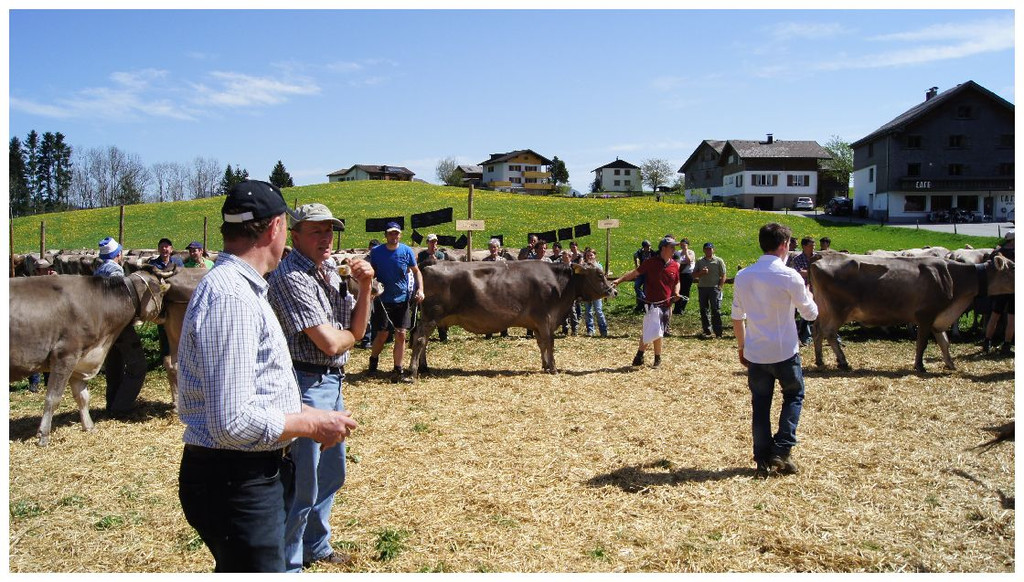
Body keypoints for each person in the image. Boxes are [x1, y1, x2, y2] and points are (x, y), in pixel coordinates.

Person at [177, 180, 358, 573]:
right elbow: (232, 423)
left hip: (240, 473)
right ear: (276, 227)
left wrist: (307, 414)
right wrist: (309, 423)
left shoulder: (240, 289)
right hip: (237, 479)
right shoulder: (233, 298)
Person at [267, 203, 374, 571]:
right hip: (304, 383)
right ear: (295, 236)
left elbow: (355, 328)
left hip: (330, 380)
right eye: (316, 231)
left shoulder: (327, 270)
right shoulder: (291, 276)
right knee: (303, 482)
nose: (326, 238)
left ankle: (315, 545)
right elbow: (330, 343)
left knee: (331, 473)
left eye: (329, 230)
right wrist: (351, 336)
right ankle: (288, 563)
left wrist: (365, 286)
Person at [731, 223, 818, 478]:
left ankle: (762, 457)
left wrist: (742, 345)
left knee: (760, 405)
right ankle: (782, 448)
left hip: (756, 352)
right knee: (794, 395)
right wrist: (809, 293)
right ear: (783, 245)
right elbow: (810, 314)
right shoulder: (790, 276)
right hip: (784, 351)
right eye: (789, 244)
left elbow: (737, 316)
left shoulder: (743, 276)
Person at [94, 236, 148, 415]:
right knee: (138, 365)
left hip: (103, 326)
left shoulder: (98, 270)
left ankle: (112, 404)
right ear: (117, 255)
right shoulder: (116, 270)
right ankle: (122, 406)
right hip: (118, 324)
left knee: (114, 364)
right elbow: (119, 298)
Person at [366, 222, 424, 383]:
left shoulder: (406, 251)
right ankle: (373, 361)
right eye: (391, 233)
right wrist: (371, 288)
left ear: (400, 235)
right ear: (385, 235)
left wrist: (420, 289)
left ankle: (398, 369)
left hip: (402, 299)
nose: (394, 236)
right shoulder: (377, 252)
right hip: (382, 299)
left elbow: (416, 271)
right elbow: (371, 272)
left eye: (396, 233)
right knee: (382, 334)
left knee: (401, 334)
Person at [613, 237, 681, 367]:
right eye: (672, 247)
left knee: (653, 330)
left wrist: (677, 292)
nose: (674, 250)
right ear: (663, 248)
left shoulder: (674, 265)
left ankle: (640, 356)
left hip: (667, 304)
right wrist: (619, 280)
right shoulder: (651, 262)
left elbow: (677, 281)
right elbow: (635, 273)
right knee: (656, 330)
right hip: (652, 304)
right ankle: (656, 358)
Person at [27, 259, 57, 393]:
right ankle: (34, 382)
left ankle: (48, 381)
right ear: (38, 271)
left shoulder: (52, 282)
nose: (50, 271)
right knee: (34, 353)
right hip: (35, 322)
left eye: (50, 268)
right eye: (46, 269)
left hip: (50, 322)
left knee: (49, 352)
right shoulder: (31, 285)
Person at [983, 230, 1015, 356]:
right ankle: (1006, 345)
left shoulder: (997, 252)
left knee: (994, 316)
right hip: (1013, 289)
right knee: (1012, 318)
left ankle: (987, 342)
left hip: (999, 289)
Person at [416, 234, 449, 341]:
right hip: (425, 285)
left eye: (435, 241)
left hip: (438, 286)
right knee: (424, 309)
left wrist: (436, 261)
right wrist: (427, 261)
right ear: (427, 243)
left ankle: (443, 334)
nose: (433, 244)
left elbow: (443, 269)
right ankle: (422, 332)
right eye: (431, 242)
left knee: (440, 309)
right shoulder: (422, 255)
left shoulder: (440, 255)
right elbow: (418, 268)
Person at [693, 242, 727, 338]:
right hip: (702, 288)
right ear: (704, 250)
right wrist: (701, 273)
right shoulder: (699, 261)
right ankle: (707, 331)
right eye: (707, 249)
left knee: (715, 310)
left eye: (710, 249)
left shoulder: (718, 261)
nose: (708, 251)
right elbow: (694, 274)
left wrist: (720, 287)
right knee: (704, 310)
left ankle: (718, 332)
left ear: (713, 250)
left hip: (714, 288)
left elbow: (723, 275)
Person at [788, 236, 816, 345]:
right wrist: (815, 273)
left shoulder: (818, 258)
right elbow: (799, 273)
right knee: (803, 312)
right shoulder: (797, 259)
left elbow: (805, 272)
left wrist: (807, 272)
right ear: (804, 246)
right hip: (802, 288)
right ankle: (805, 336)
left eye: (814, 246)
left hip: (818, 288)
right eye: (810, 246)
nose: (813, 248)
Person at [581, 247, 609, 338]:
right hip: (587, 292)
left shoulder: (598, 266)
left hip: (597, 293)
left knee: (598, 311)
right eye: (588, 255)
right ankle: (590, 330)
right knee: (588, 311)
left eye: (591, 255)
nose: (590, 257)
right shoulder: (584, 266)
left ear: (595, 256)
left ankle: (603, 330)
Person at [672, 237, 696, 316]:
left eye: (684, 245)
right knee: (678, 291)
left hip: (688, 274)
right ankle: (677, 308)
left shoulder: (691, 252)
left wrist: (685, 252)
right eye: (681, 245)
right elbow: (676, 262)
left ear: (688, 245)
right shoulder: (678, 252)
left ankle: (682, 308)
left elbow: (689, 261)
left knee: (685, 291)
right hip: (679, 274)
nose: (682, 246)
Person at [632, 240, 655, 313]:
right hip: (641, 272)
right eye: (647, 247)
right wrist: (637, 266)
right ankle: (643, 298)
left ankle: (644, 306)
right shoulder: (640, 252)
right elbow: (635, 256)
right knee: (636, 286)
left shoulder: (653, 253)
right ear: (643, 247)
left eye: (650, 246)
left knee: (646, 289)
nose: (649, 248)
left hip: (649, 273)